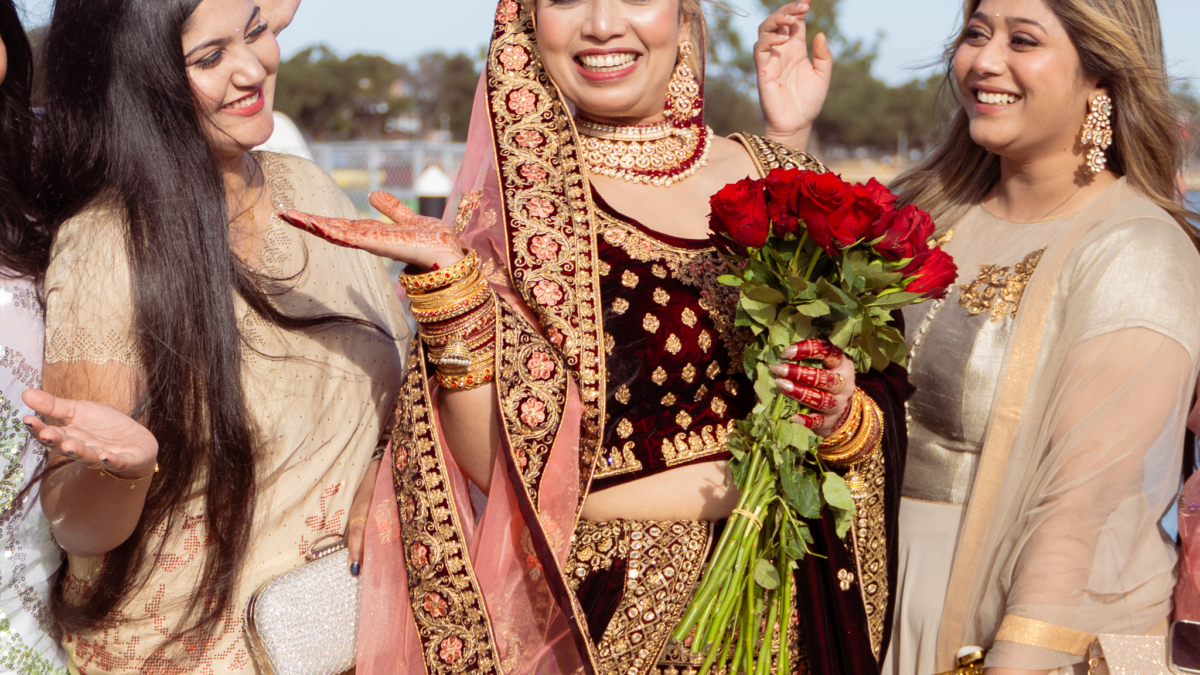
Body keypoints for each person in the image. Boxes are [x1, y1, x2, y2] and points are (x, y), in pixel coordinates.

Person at [284, 1, 909, 673]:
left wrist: (842, 413)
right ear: (524, 20)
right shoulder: (514, 213)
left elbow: (876, 381)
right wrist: (448, 293)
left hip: (788, 612)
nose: (603, 24)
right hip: (597, 624)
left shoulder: (782, 176)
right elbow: (494, 463)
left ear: (681, 11)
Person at [32, 0, 412, 670]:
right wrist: (123, 470)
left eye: (258, 32)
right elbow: (76, 525)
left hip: (354, 636)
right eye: (210, 58)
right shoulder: (109, 245)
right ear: (139, 78)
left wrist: (386, 476)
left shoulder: (315, 194)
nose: (253, 67)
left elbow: (399, 401)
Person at [883, 0, 1200, 673]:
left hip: (1028, 636)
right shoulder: (924, 214)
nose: (984, 61)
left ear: (1101, 76)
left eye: (1022, 39)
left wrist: (1016, 660)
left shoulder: (1136, 250)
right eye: (975, 32)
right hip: (886, 600)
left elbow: (1078, 513)